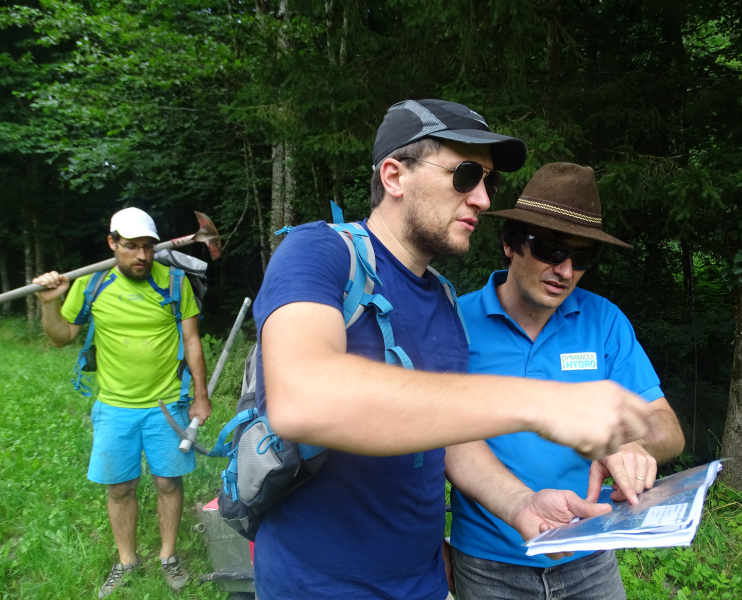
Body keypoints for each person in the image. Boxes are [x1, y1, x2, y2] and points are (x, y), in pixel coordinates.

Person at [252, 99, 660, 600]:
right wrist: (540, 404)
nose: (484, 199)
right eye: (466, 175)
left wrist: (519, 504)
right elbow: (302, 398)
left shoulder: (442, 296)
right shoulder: (321, 251)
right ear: (394, 175)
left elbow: (449, 439)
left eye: (488, 181)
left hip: (421, 583)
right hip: (316, 587)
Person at [448, 162, 686, 600]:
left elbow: (667, 429)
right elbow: (442, 435)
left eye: (583, 257)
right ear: (510, 243)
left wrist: (631, 444)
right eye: (551, 249)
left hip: (590, 554)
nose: (565, 270)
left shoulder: (605, 321)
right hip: (488, 562)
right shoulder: (455, 322)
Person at [32, 207, 212, 598]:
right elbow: (61, 337)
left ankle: (168, 556)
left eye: (148, 247)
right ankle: (127, 561)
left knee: (168, 481)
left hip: (167, 404)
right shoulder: (91, 283)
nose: (142, 256)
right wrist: (49, 302)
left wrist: (201, 396)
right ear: (112, 244)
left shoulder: (175, 282)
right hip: (114, 406)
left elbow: (193, 341)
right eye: (131, 247)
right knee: (120, 488)